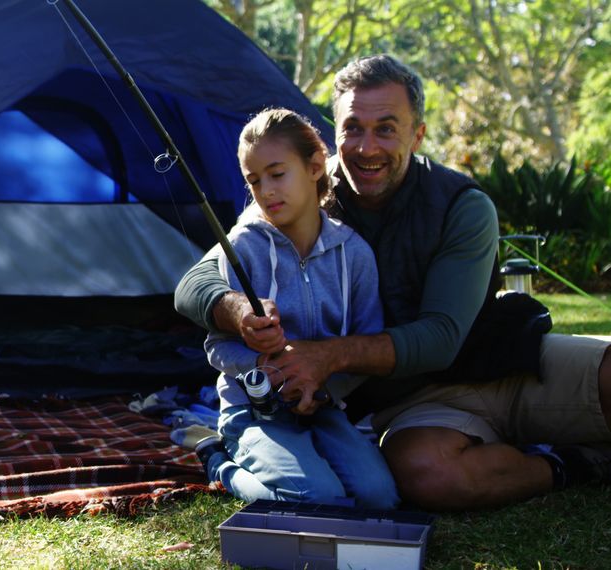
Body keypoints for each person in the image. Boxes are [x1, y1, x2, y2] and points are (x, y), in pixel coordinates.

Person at [175, 54, 611, 511]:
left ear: (417, 134)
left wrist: (324, 357)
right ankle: (572, 463)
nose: (367, 148)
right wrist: (239, 309)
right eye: (353, 128)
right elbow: (196, 282)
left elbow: (441, 337)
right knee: (428, 477)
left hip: (509, 364)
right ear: (333, 136)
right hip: (415, 403)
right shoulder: (300, 194)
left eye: (386, 128)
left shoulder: (462, 205)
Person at [185, 108, 398, 508]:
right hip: (253, 412)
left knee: (380, 497)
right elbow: (216, 347)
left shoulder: (355, 255)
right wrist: (261, 369)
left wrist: (323, 389)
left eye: (277, 174)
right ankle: (219, 462)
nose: (265, 190)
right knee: (316, 497)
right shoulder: (243, 247)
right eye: (254, 180)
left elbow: (365, 345)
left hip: (325, 411)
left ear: (316, 165)